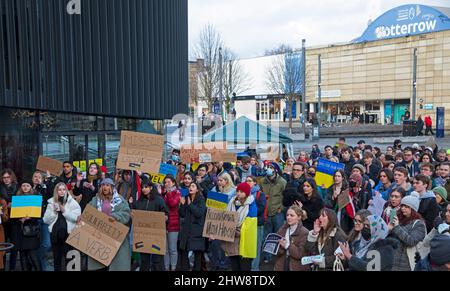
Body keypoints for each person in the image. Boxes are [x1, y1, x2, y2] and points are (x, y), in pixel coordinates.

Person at [86, 178, 131, 271]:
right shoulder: (95, 200)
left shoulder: (119, 200)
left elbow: (126, 213)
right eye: (103, 185)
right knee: (100, 262)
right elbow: (88, 212)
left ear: (112, 187)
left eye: (107, 185)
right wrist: (82, 217)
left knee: (116, 263)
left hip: (115, 235)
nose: (105, 187)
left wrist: (115, 216)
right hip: (99, 235)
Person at [130, 179, 168, 271]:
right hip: (143, 234)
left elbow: (166, 214)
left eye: (146, 187)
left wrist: (164, 218)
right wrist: (131, 209)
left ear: (151, 187)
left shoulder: (159, 200)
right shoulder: (140, 201)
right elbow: (135, 214)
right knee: (144, 259)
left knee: (157, 259)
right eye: (142, 187)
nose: (144, 189)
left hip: (156, 235)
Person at [43, 182, 81, 271]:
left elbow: (77, 218)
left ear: (66, 190)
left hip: (68, 234)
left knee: (70, 258)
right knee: (57, 258)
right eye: (59, 190)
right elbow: (45, 220)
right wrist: (54, 212)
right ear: (56, 191)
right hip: (55, 234)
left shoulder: (72, 202)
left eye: (64, 189)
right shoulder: (51, 202)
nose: (62, 191)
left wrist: (64, 211)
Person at [220, 183, 257, 271]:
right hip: (232, 241)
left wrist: (233, 230)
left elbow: (249, 227)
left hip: (244, 241)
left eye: (241, 192)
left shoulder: (251, 206)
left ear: (247, 193)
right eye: (237, 191)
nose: (238, 193)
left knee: (244, 267)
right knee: (234, 266)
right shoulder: (232, 202)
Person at [388, 193, 427, 271]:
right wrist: (389, 230)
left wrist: (397, 227)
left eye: (406, 207)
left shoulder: (419, 224)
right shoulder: (400, 219)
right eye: (402, 206)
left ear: (413, 209)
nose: (403, 208)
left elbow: (411, 241)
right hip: (393, 261)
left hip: (407, 264)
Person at [10, 181, 41, 271]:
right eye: (23, 185)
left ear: (31, 187)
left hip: (31, 231)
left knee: (33, 254)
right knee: (22, 255)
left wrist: (30, 217)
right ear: (21, 187)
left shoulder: (35, 198)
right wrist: (19, 219)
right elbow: (12, 218)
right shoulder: (16, 198)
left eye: (27, 185)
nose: (25, 187)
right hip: (19, 231)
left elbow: (39, 214)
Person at [260, 162, 287, 262]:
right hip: (266, 212)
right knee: (266, 236)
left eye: (271, 167)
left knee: (278, 235)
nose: (268, 169)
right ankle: (267, 256)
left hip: (277, 212)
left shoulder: (282, 182)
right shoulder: (262, 181)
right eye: (267, 167)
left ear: (275, 170)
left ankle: (279, 255)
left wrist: (282, 208)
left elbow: (285, 196)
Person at [178, 182, 207, 271]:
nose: (190, 187)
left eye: (193, 186)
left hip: (197, 230)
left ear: (197, 189)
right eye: (190, 186)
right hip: (186, 230)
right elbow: (182, 214)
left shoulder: (201, 199)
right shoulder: (186, 198)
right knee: (183, 250)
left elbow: (199, 213)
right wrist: (182, 204)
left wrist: (190, 205)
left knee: (197, 253)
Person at [274, 206, 309, 271]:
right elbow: (276, 252)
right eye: (287, 215)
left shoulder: (304, 232)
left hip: (296, 266)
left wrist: (287, 245)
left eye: (292, 215)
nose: (288, 217)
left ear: (299, 217)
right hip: (281, 265)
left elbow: (300, 254)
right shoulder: (282, 229)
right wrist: (279, 247)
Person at [246, 176, 267, 271]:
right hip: (246, 224)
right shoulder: (243, 193)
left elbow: (260, 209)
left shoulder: (260, 194)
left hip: (257, 223)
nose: (247, 182)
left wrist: (247, 210)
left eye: (250, 181)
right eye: (246, 181)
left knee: (256, 247)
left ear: (255, 183)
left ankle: (254, 268)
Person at [161, 175, 181, 271]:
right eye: (165, 182)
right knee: (165, 249)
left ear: (173, 182)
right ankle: (166, 267)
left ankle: (173, 268)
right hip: (164, 223)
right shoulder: (164, 193)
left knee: (172, 249)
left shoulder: (177, 192)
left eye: (168, 182)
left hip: (173, 224)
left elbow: (173, 204)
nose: (166, 184)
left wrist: (168, 193)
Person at [325, 170, 354, 234]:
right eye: (335, 176)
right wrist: (334, 199)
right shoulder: (330, 189)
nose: (336, 178)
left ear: (342, 178)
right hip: (332, 215)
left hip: (343, 218)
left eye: (339, 176)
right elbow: (327, 203)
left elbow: (350, 205)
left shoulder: (346, 189)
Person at [0, 197, 9, 271]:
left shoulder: (2, 201)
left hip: (0, 230)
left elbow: (6, 219)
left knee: (1, 253)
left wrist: (1, 213)